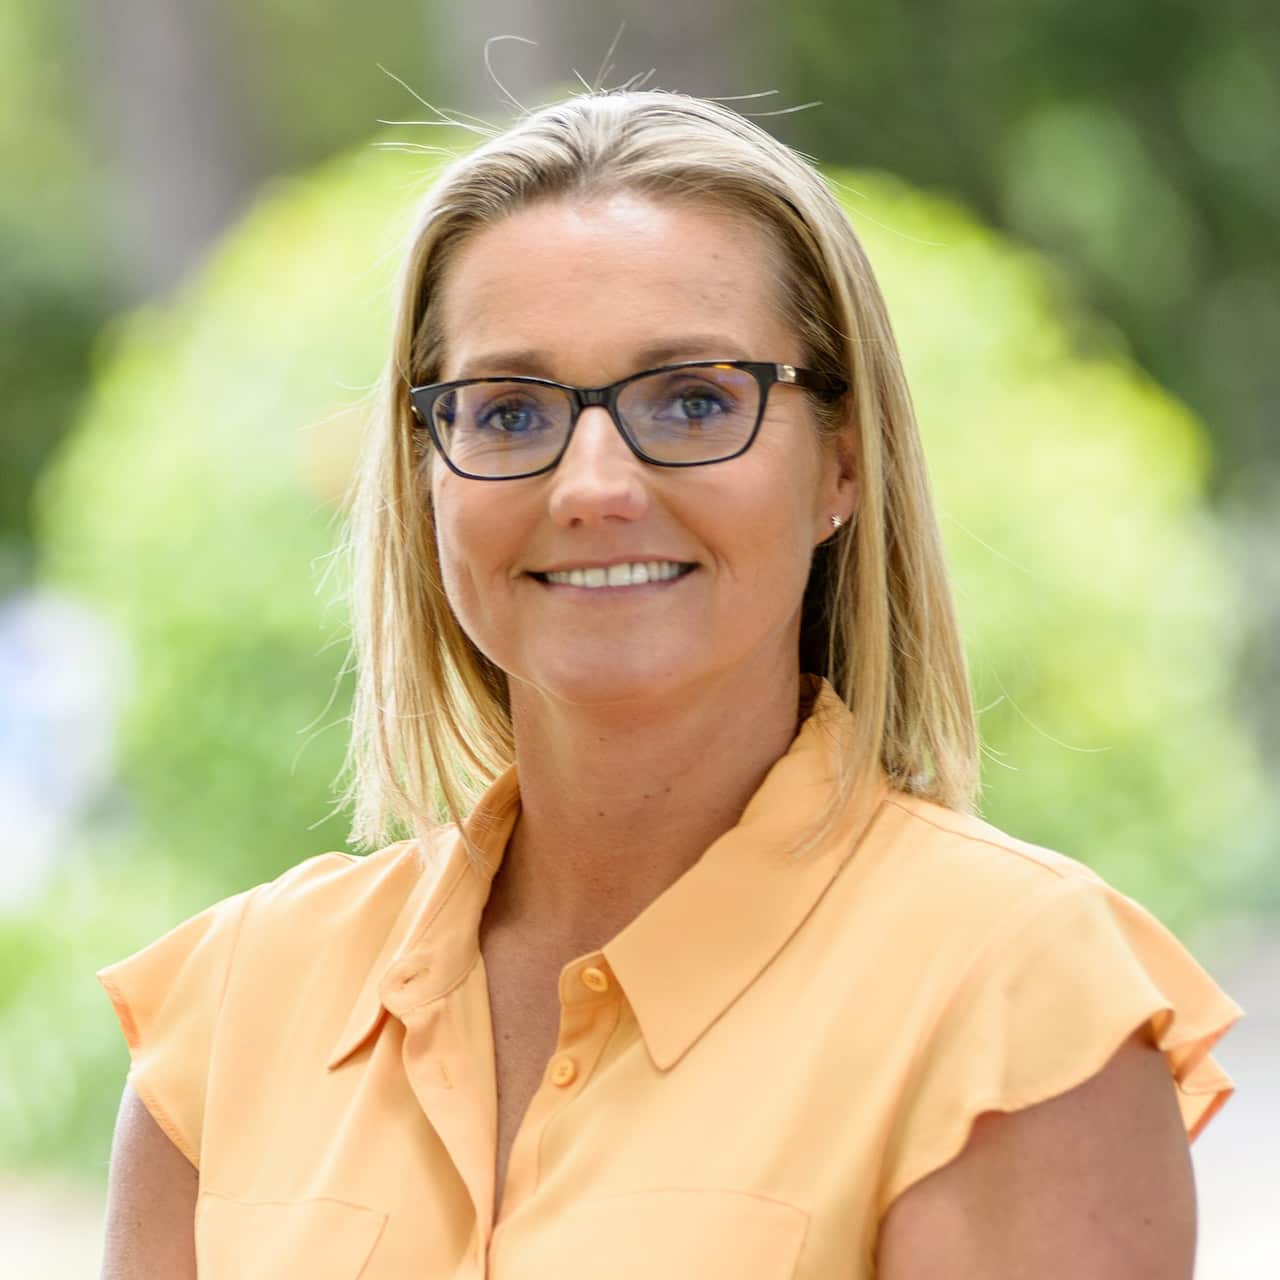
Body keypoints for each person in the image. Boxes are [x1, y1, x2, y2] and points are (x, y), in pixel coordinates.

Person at [98, 89, 1241, 1278]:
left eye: (692, 399)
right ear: (428, 475)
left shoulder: (1009, 997)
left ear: (839, 464)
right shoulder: (233, 1010)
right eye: (506, 408)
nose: (592, 484)